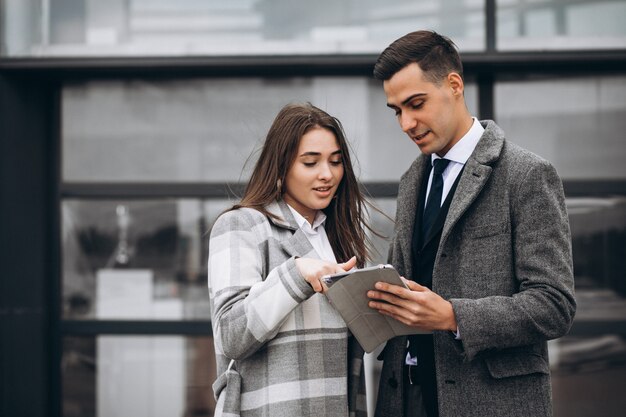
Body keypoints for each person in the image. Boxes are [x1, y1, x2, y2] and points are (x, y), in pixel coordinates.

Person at [366, 30, 576, 417]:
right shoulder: (413, 178)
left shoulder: (527, 174)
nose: (406, 123)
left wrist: (452, 316)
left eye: (416, 104)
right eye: (397, 110)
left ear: (454, 85)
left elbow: (554, 304)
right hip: (406, 398)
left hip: (490, 403)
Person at [208, 102, 372, 416]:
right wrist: (296, 274)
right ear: (282, 166)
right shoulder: (241, 225)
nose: (327, 174)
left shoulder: (335, 236)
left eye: (336, 162)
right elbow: (230, 334)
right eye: (310, 163)